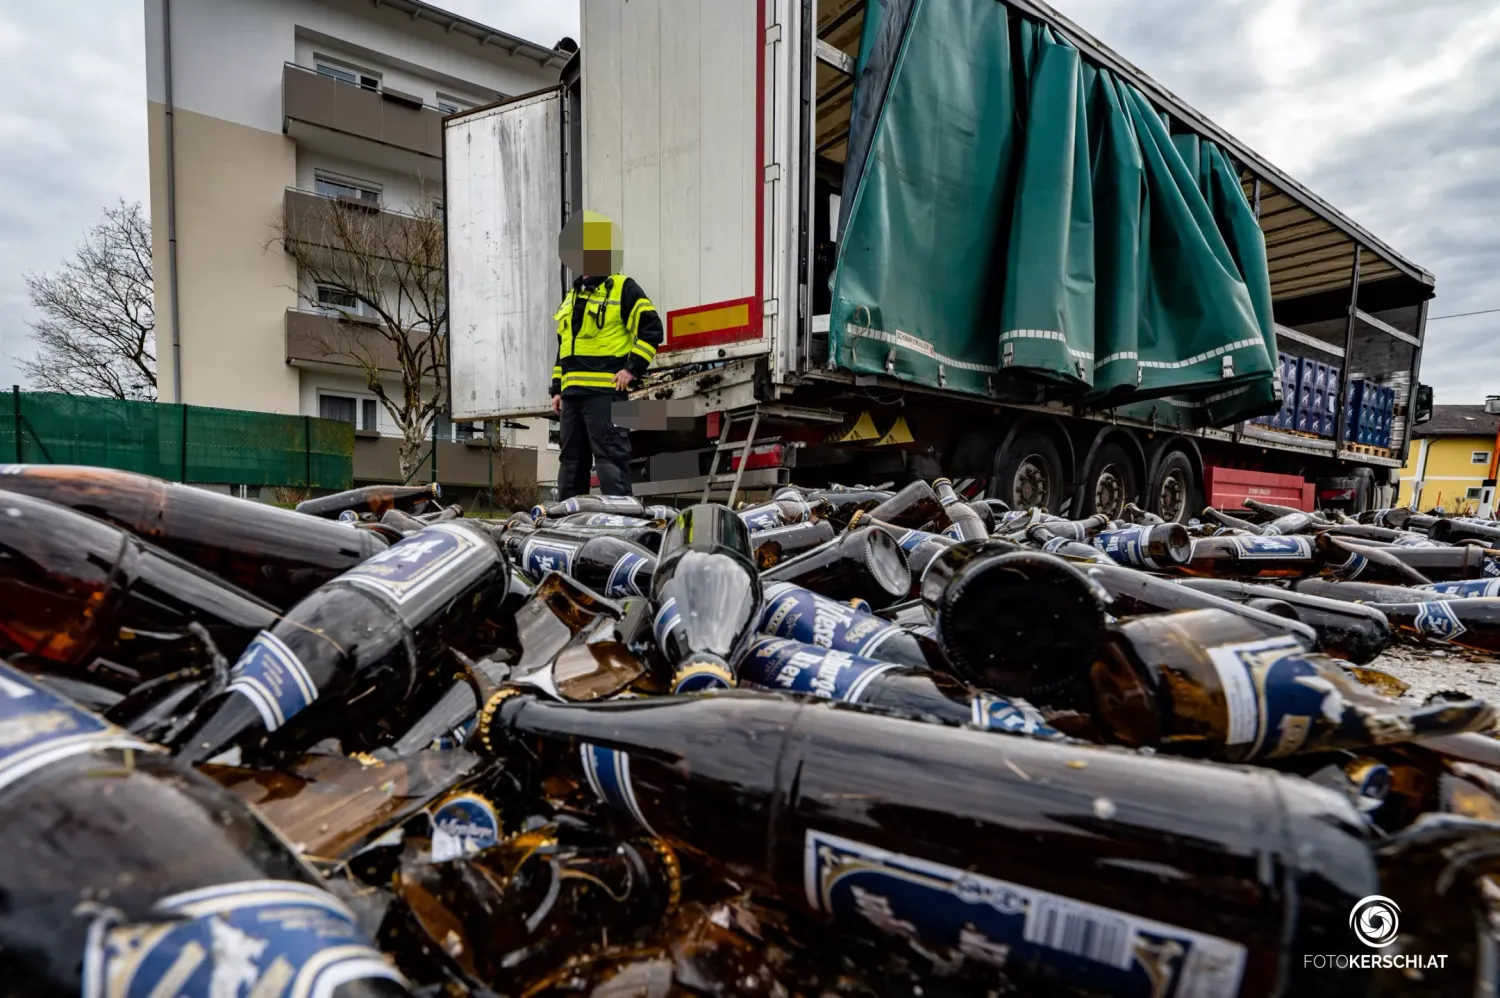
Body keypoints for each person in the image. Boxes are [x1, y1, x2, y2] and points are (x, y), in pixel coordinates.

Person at [550, 212, 663, 499]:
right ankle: (567, 525)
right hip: (573, 398)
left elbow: (652, 329)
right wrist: (557, 389)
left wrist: (631, 370)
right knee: (571, 466)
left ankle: (622, 526)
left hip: (605, 395)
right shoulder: (572, 296)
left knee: (610, 464)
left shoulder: (623, 288)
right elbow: (565, 348)